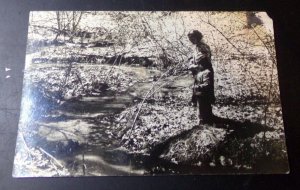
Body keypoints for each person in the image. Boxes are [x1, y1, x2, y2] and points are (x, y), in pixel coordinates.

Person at [187, 30, 215, 125]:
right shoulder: (196, 47)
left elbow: (202, 61)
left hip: (204, 71)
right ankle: (203, 118)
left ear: (198, 37)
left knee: (204, 94)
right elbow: (192, 58)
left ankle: (205, 119)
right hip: (199, 72)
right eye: (190, 39)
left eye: (193, 38)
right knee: (199, 95)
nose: (191, 40)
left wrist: (193, 66)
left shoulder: (203, 47)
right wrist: (191, 63)